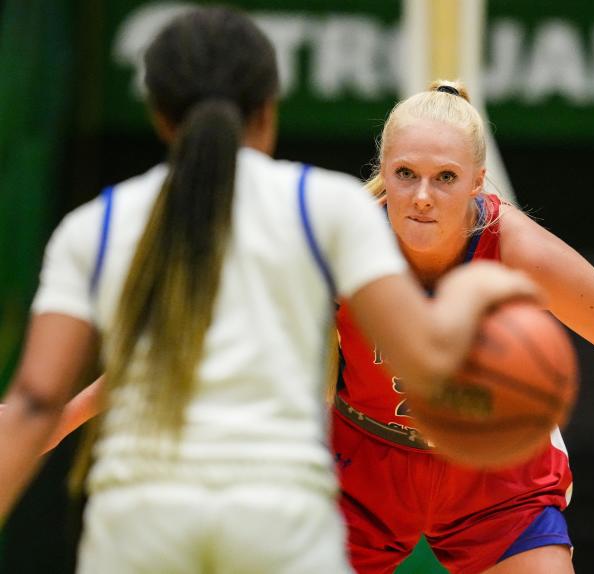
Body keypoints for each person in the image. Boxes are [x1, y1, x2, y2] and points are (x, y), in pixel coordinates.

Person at [28, 81, 594, 574]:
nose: (423, 196)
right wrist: (45, 429)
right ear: (381, 171)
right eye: (406, 174)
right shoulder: (332, 241)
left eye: (445, 179)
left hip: (494, 470)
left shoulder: (523, 255)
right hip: (361, 466)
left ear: (478, 183)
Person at [0, 12, 535, 573]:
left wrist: (58, 421)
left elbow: (39, 403)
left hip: (144, 519)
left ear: (159, 116)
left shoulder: (99, 223)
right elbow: (421, 350)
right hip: (278, 516)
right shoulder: (323, 207)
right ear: (269, 110)